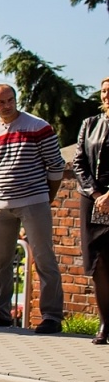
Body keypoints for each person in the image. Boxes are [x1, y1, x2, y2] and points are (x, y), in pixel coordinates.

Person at [0, 83, 67, 333]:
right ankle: (0, 312)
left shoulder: (38, 126)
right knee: (1, 260)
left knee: (43, 259)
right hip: (1, 203)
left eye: (11, 100)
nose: (7, 105)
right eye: (1, 102)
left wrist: (46, 197)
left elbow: (56, 166)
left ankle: (51, 316)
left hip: (33, 200)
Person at [74, 76, 109, 345]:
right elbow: (79, 162)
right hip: (93, 201)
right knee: (98, 265)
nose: (107, 95)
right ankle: (105, 324)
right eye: (104, 91)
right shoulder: (90, 124)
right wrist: (97, 194)